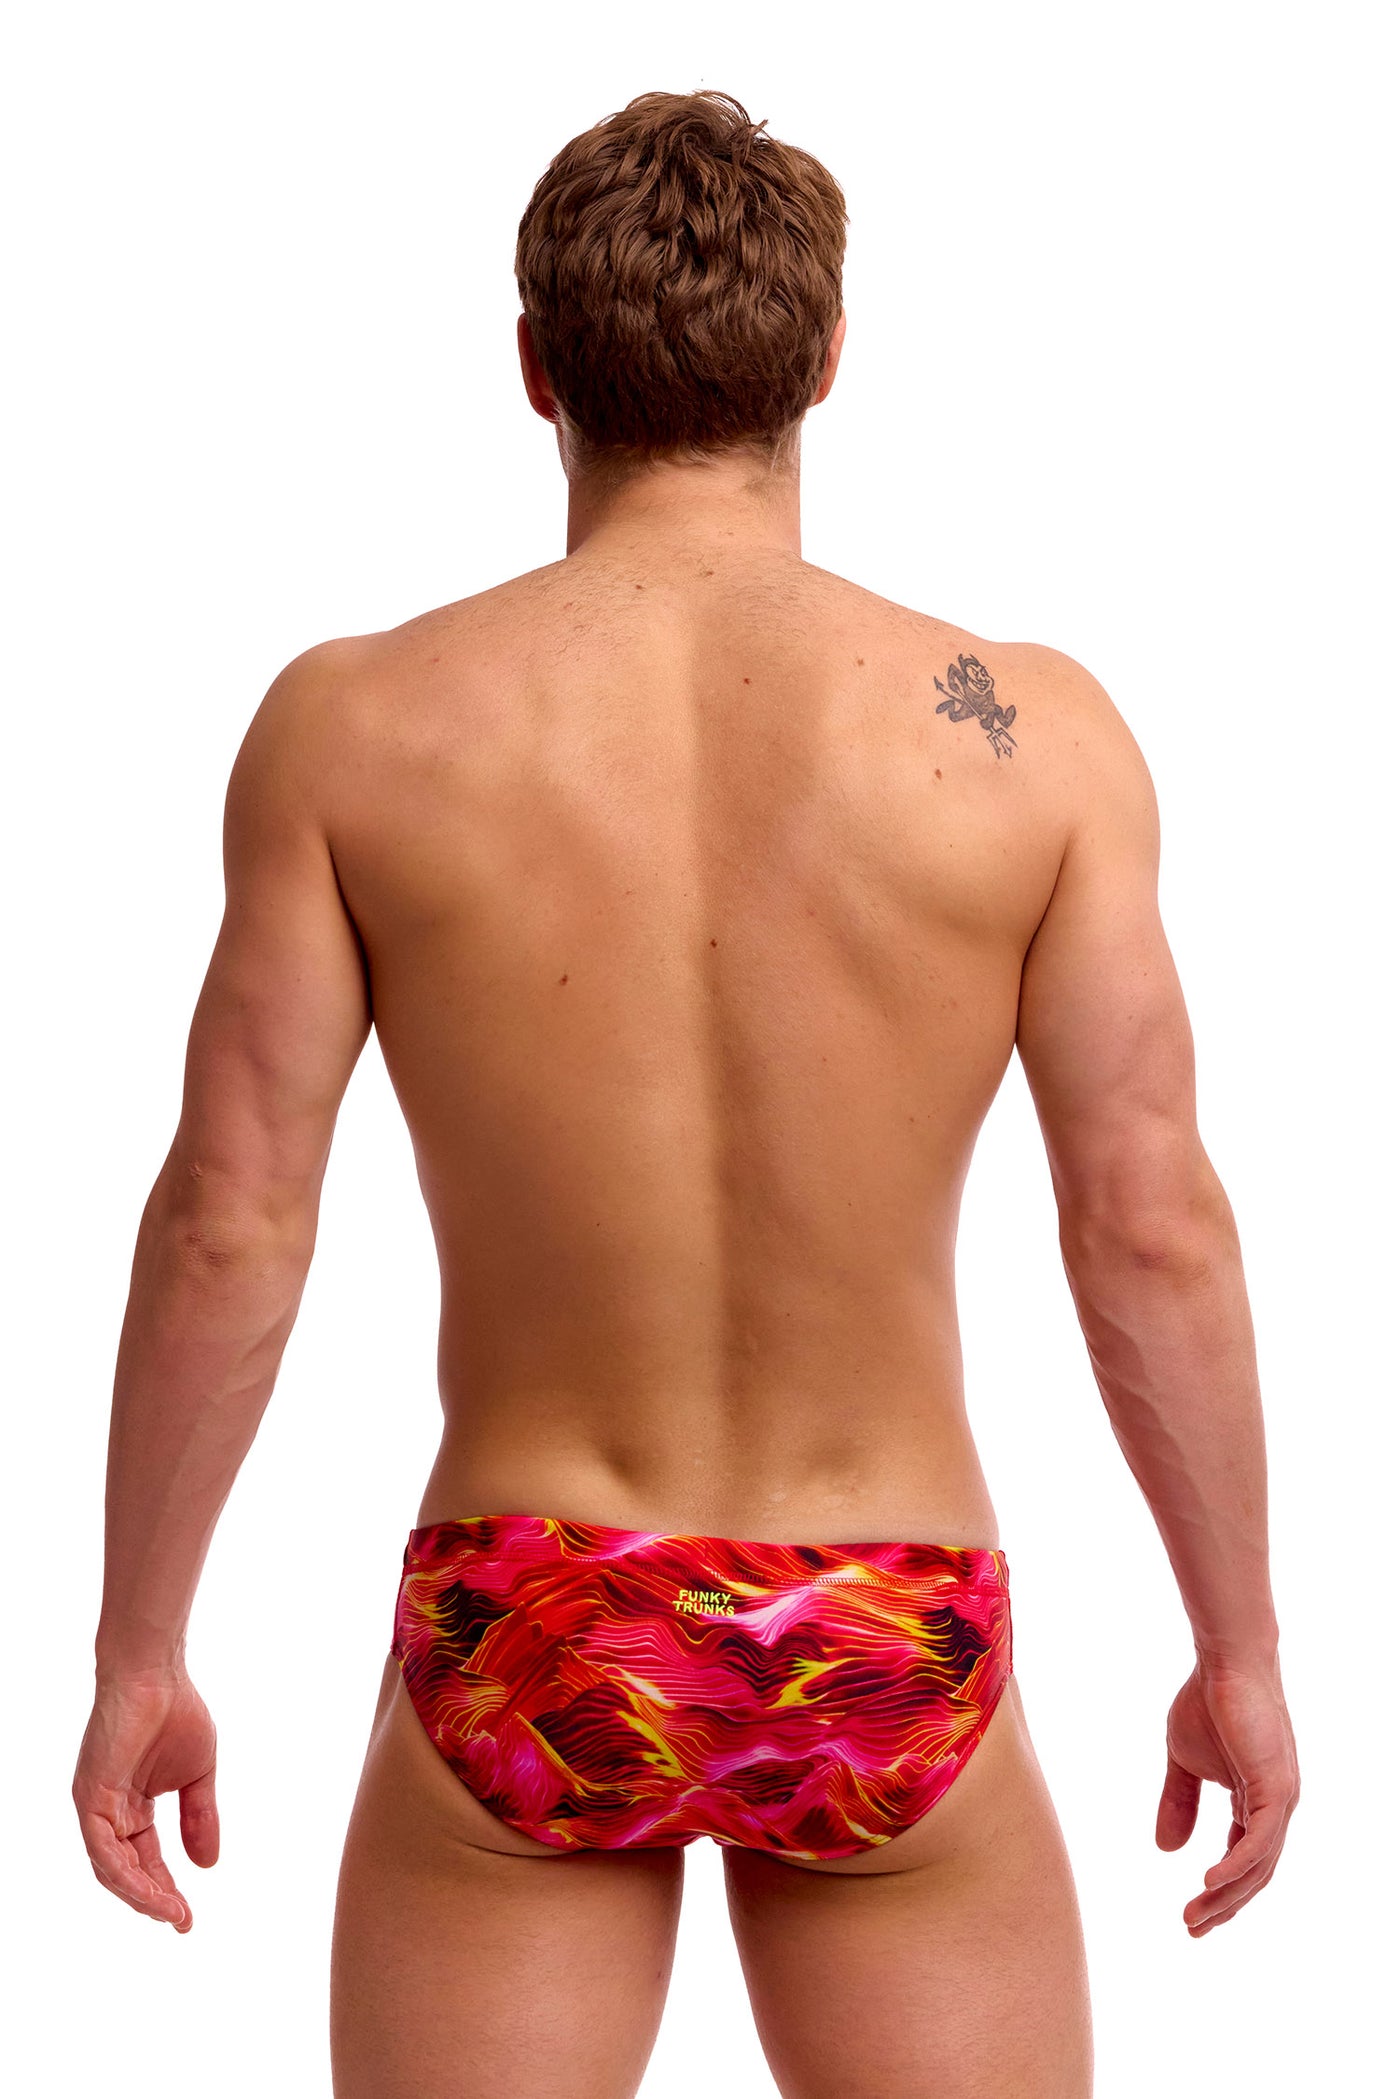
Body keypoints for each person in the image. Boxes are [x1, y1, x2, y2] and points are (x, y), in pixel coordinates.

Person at [74, 87, 1299, 2099]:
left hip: (535, 1614)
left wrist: (139, 1650)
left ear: (535, 367)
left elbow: (231, 1215)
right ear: (826, 362)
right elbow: (1145, 1222)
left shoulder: (355, 728)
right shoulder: (1030, 736)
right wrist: (1238, 1650)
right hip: (887, 1611)